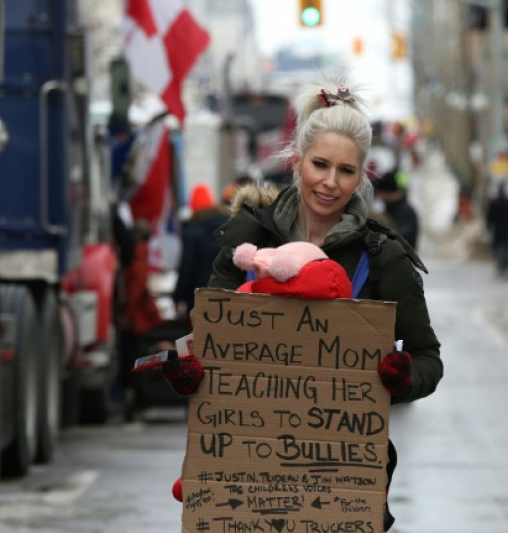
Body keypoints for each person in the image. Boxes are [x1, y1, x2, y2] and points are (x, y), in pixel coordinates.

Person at [162, 81, 442, 531]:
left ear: (363, 176)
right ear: (297, 162)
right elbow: (207, 343)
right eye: (320, 165)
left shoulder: (383, 257)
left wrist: (403, 378)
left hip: (344, 482)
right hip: (245, 479)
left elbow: (429, 358)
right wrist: (188, 371)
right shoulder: (247, 240)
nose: (331, 183)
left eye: (347, 171)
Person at [172, 184, 229, 316]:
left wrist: (178, 298)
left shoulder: (192, 233)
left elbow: (186, 268)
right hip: (229, 298)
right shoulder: (229, 227)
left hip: (198, 300)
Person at [374, 169, 420, 252]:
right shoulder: (393, 208)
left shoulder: (404, 212)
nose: (380, 196)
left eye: (381, 192)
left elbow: (400, 242)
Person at [486, 180, 508, 278]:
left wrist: (488, 226)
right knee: (507, 247)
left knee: (496, 246)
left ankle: (498, 261)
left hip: (497, 228)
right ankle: (506, 264)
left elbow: (489, 216)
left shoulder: (494, 203)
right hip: (507, 228)